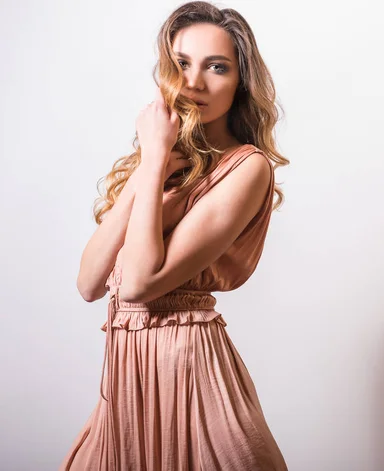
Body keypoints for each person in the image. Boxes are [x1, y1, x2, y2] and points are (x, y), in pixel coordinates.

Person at [60, 2, 289, 469]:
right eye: (181, 64)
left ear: (241, 81)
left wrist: (156, 152)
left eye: (217, 67)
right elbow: (88, 283)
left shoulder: (247, 168)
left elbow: (142, 283)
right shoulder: (157, 165)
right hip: (128, 383)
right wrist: (152, 163)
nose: (194, 83)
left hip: (188, 370)